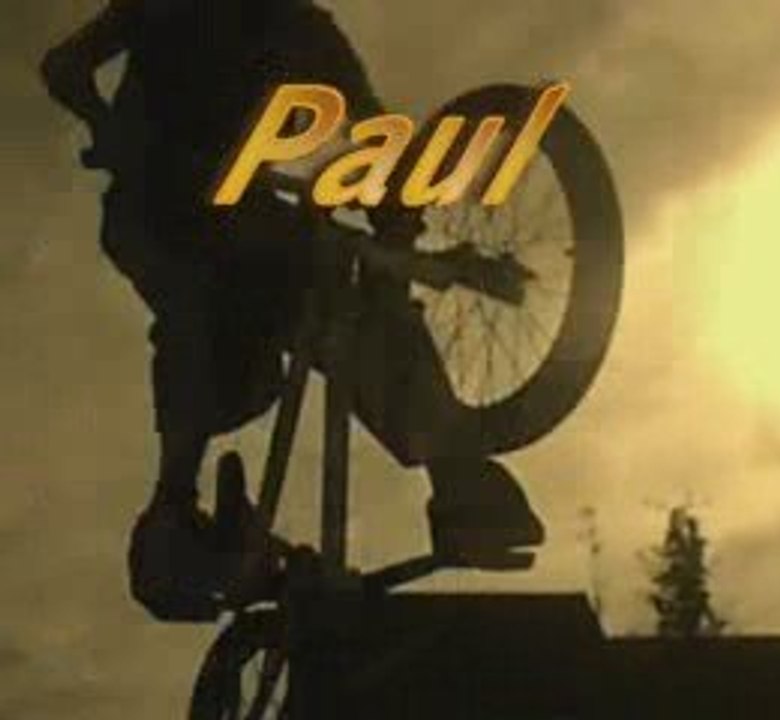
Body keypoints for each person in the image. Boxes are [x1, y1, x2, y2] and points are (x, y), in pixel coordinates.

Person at [41, 0, 543, 622]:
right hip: (160, 205)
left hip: (248, 218)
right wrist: (109, 126)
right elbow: (63, 68)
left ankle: (457, 481)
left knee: (344, 303)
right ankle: (173, 512)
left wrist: (400, 223)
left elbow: (374, 140)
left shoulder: (306, 30)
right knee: (201, 305)